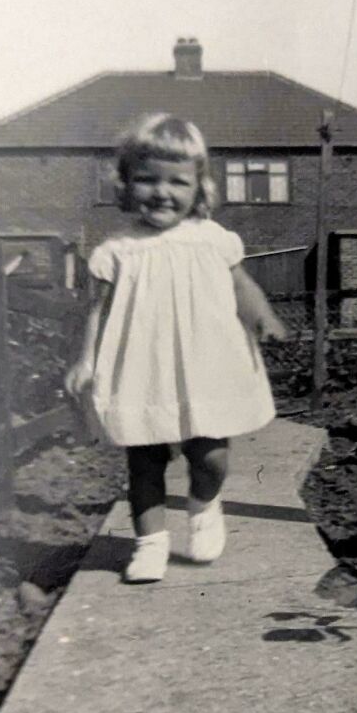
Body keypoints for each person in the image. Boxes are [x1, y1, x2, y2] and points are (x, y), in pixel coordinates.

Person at [65, 113, 287, 582]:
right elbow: (98, 312)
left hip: (202, 364)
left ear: (199, 187)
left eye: (177, 182)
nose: (162, 192)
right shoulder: (118, 249)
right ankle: (149, 544)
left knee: (210, 457)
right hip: (138, 368)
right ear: (125, 185)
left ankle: (204, 506)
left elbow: (241, 286)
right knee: (144, 461)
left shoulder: (212, 240)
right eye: (147, 179)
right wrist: (86, 360)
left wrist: (262, 316)